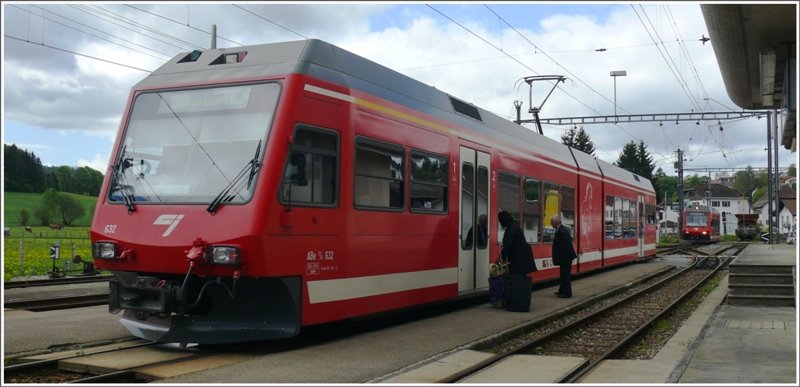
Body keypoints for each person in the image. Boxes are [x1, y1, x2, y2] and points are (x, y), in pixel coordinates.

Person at [551, 215, 577, 298]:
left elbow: (565, 245)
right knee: (563, 274)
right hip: (565, 257)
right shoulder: (561, 229)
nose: (551, 224)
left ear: (556, 222)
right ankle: (561, 291)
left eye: (552, 222)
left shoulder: (562, 231)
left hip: (566, 257)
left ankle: (567, 293)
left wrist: (561, 257)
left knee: (565, 275)